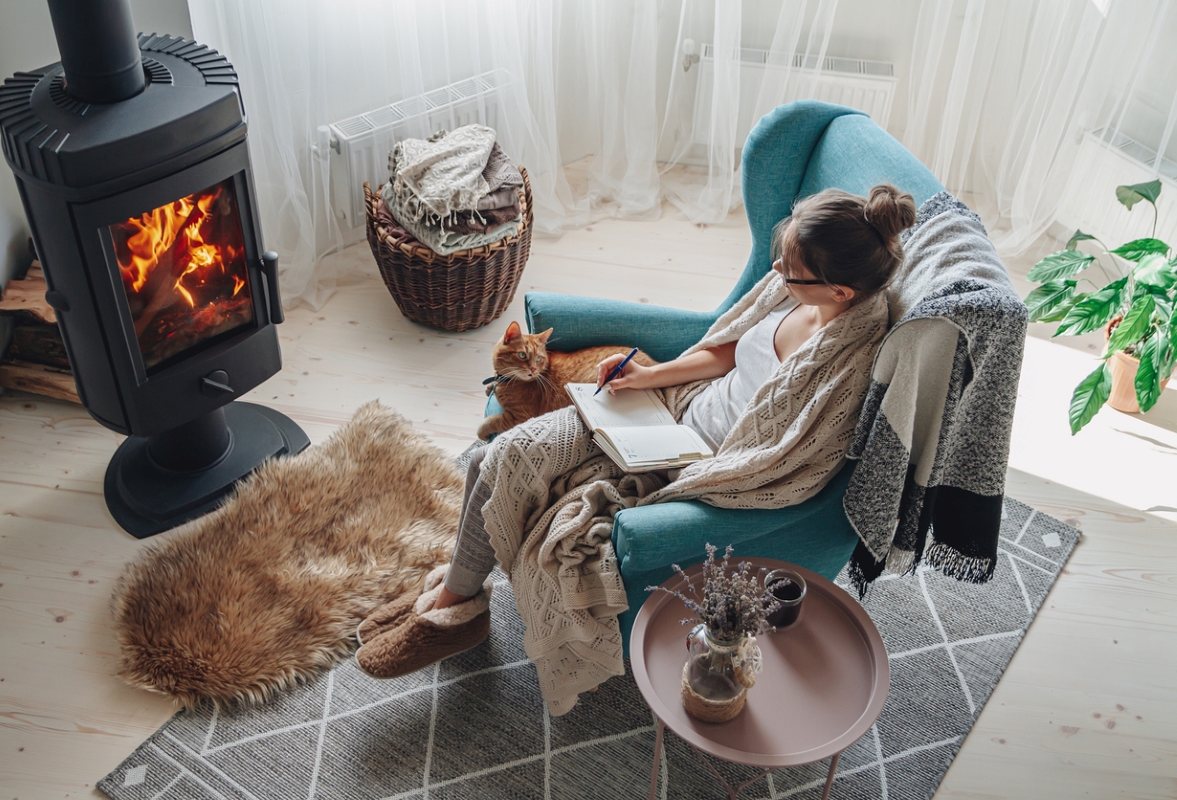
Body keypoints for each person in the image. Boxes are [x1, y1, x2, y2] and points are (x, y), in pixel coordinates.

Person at [355, 184, 917, 714]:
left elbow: (788, 462)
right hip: (666, 411)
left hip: (692, 459)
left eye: (790, 273)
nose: (776, 275)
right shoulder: (797, 290)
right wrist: (646, 378)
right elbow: (724, 352)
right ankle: (461, 597)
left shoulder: (847, 363)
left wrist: (685, 468)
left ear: (839, 291)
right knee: (490, 457)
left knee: (506, 467)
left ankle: (451, 605)